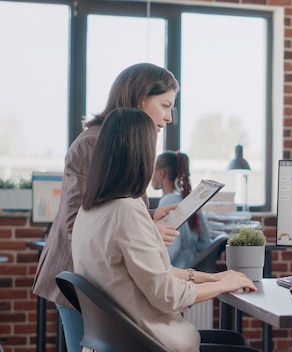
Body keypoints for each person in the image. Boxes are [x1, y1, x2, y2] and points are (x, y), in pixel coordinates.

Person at [71, 108, 257, 352]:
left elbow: (156, 273)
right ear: (141, 154)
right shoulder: (127, 211)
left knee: (233, 341)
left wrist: (214, 277)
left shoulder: (89, 211)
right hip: (147, 341)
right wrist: (223, 285)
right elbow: (168, 295)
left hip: (122, 340)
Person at [32, 63, 182, 352]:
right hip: (83, 278)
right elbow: (81, 223)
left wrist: (147, 218)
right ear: (140, 98)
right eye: (164, 105)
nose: (169, 117)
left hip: (102, 278)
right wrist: (146, 231)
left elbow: (108, 208)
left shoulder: (127, 141)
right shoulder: (93, 143)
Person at [152, 151, 213, 268]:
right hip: (193, 266)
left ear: (161, 173)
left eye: (153, 171)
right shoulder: (187, 198)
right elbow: (204, 242)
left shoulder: (167, 202)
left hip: (177, 269)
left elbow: (172, 250)